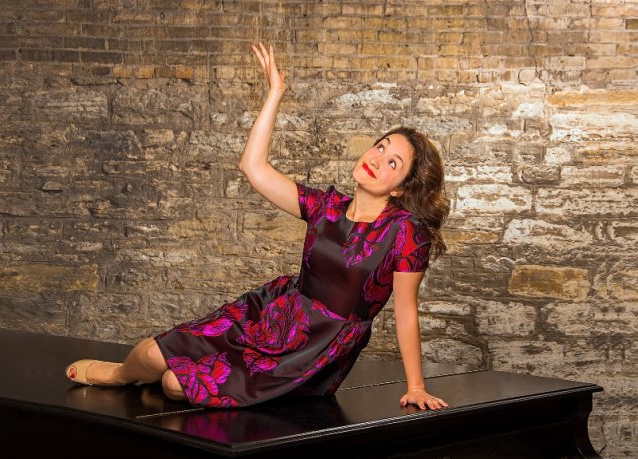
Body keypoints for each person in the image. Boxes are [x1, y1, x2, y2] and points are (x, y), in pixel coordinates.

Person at [65, 43, 450, 411]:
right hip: (275, 316)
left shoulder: (405, 232)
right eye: (380, 146)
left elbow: (406, 312)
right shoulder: (326, 207)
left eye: (394, 162)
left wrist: (415, 386)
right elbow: (253, 168)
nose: (378, 158)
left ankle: (152, 378)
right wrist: (275, 93)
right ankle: (119, 375)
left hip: (315, 349)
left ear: (400, 187)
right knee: (151, 354)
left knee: (173, 384)